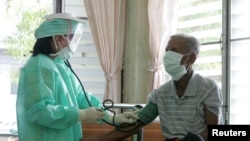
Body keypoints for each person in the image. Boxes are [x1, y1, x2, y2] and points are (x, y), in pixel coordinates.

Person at [15, 13, 138, 141]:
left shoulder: (59, 64)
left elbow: (81, 96)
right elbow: (40, 112)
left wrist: (111, 117)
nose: (72, 42)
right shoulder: (39, 67)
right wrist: (81, 114)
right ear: (57, 38)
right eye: (71, 37)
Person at [82, 33, 223, 141]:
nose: (167, 55)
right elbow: (136, 124)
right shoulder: (162, 93)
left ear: (191, 58)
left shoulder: (208, 87)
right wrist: (98, 139)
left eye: (174, 50)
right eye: (167, 50)